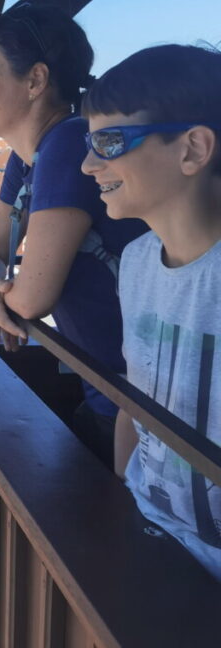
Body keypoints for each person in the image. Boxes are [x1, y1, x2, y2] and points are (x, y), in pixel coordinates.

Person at [0, 3, 146, 465]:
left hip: (135, 412)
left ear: (35, 80)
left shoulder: (67, 144)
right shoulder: (29, 159)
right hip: (117, 396)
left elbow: (32, 299)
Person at [80, 44, 221, 579]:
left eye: (109, 142)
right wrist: (125, 500)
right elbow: (134, 403)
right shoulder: (138, 262)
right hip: (148, 539)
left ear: (193, 149)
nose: (88, 164)